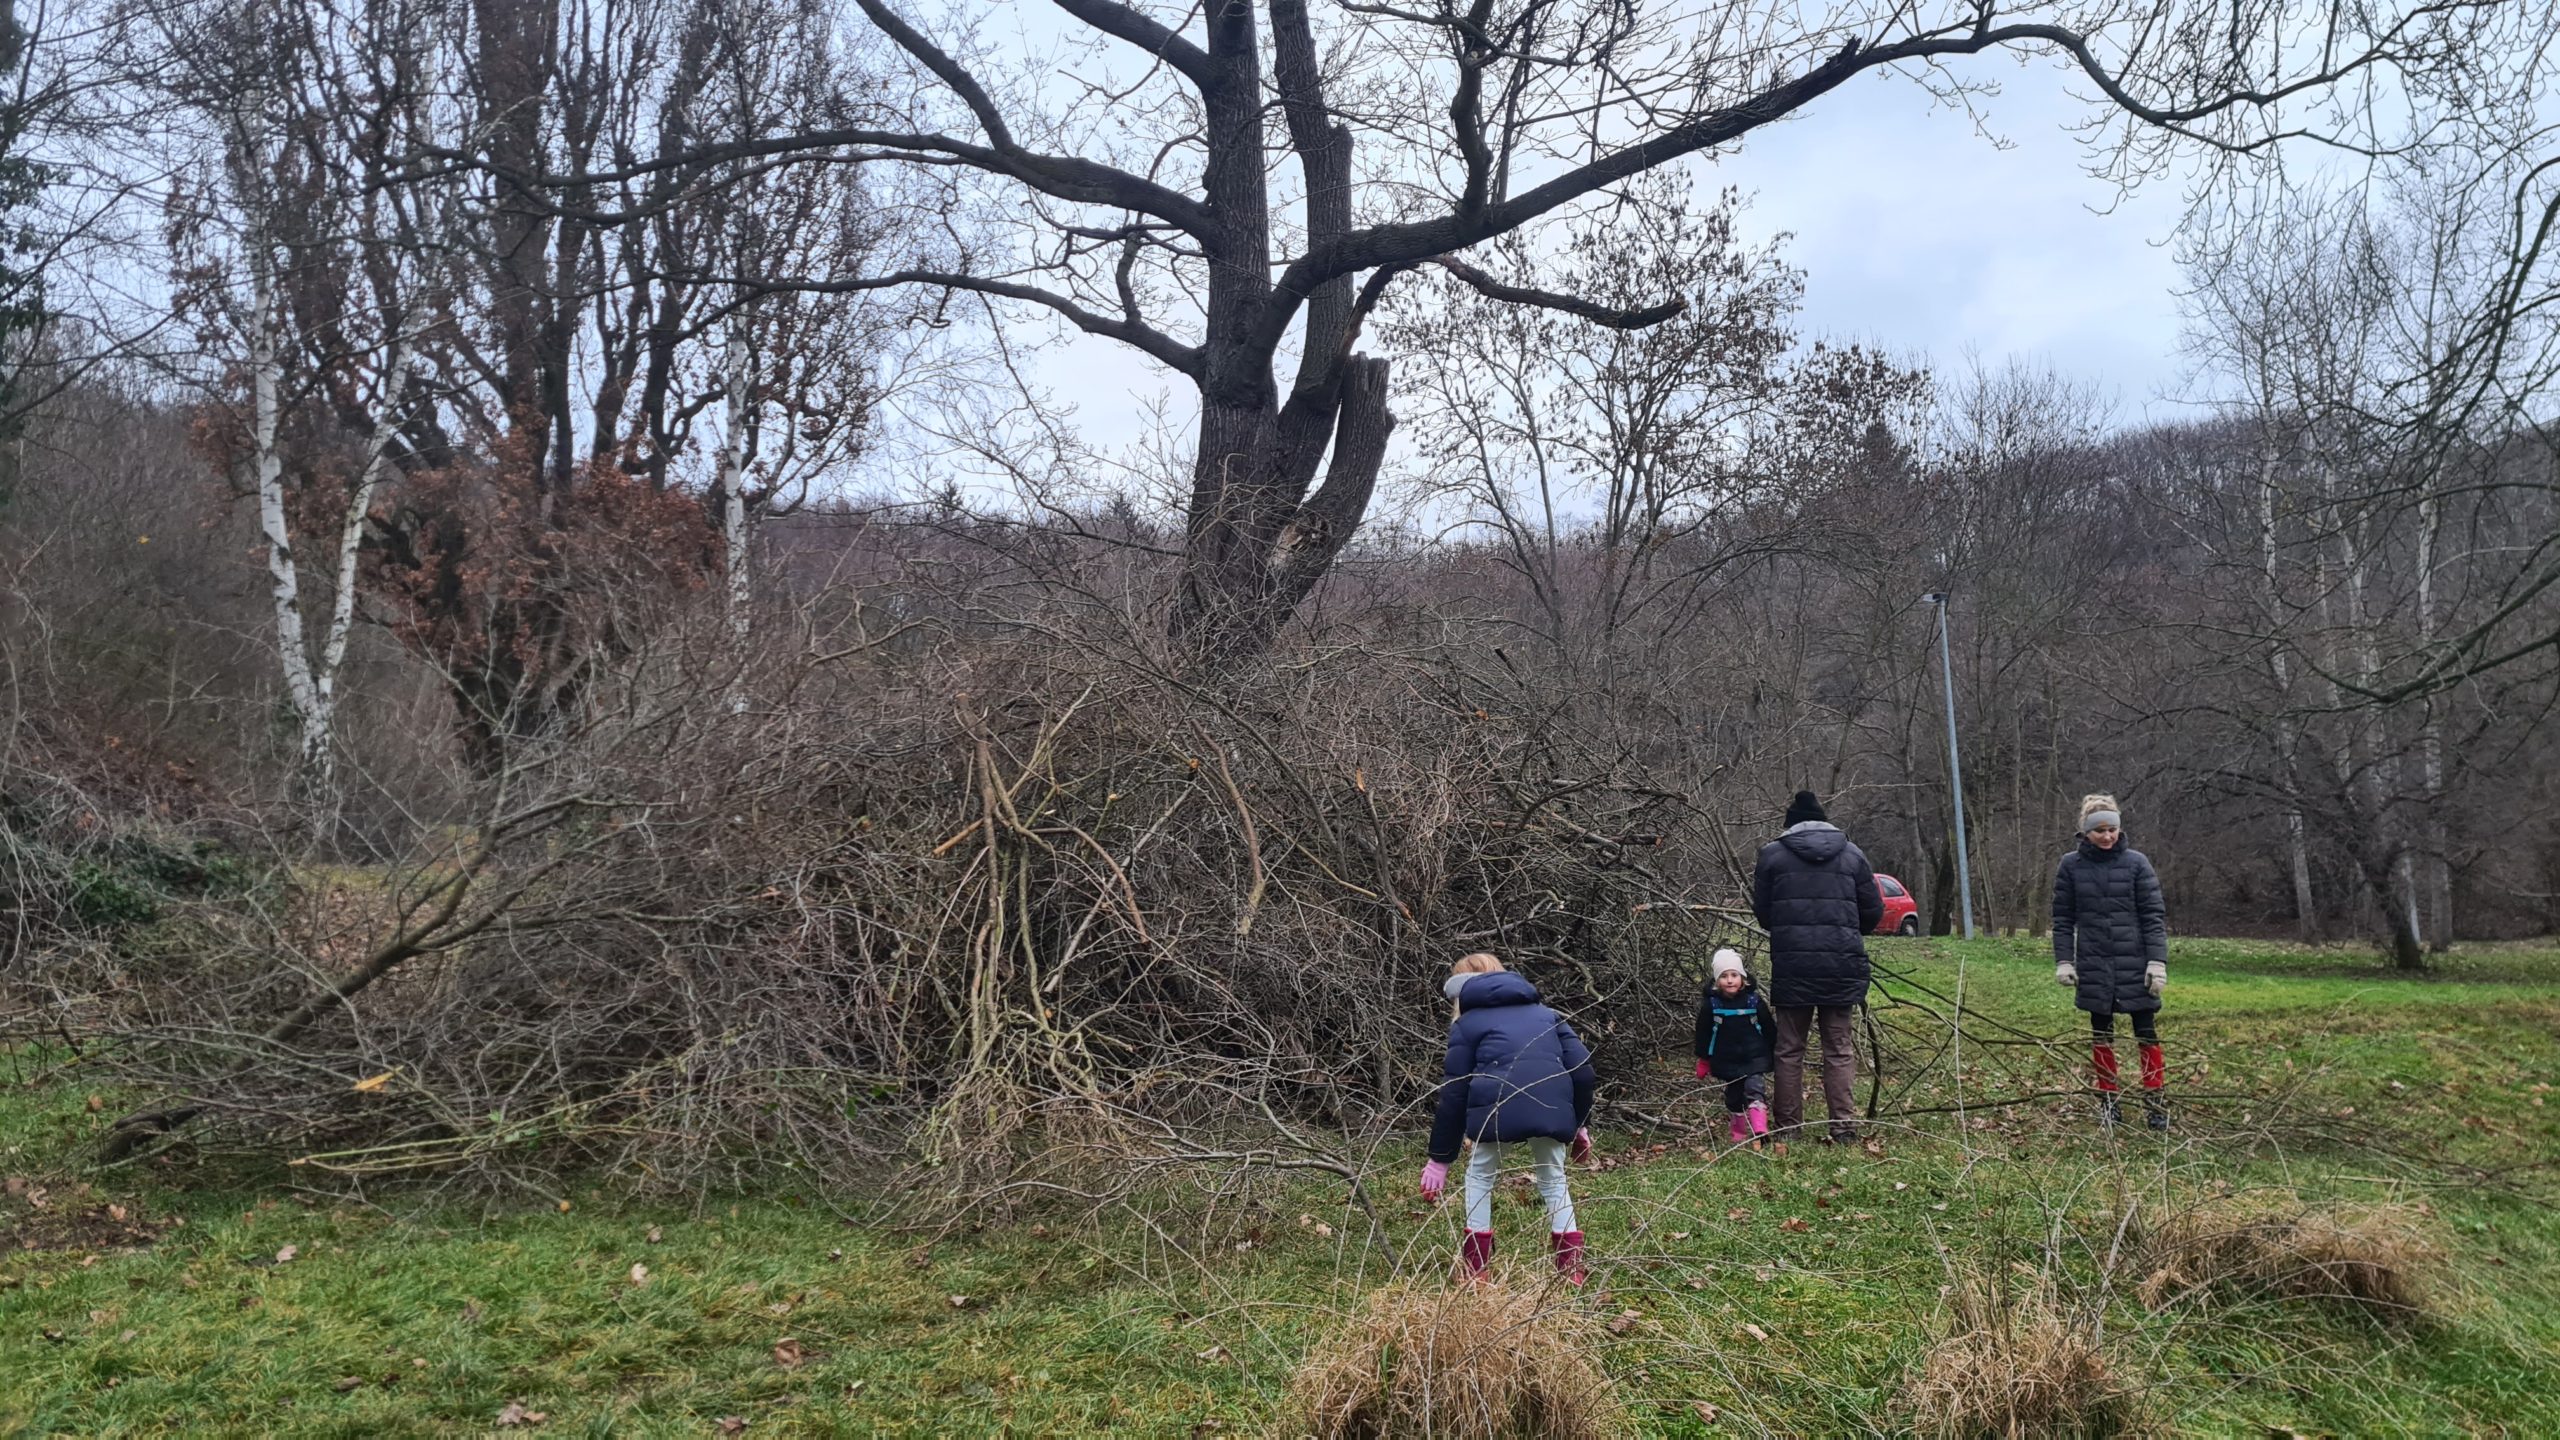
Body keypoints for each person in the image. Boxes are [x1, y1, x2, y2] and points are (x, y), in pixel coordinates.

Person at [1419, 952, 1597, 1284]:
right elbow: (1583, 1071)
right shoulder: (1548, 1015)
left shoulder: (1467, 1025)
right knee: (1554, 1179)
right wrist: (1580, 1124)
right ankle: (1571, 1270)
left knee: (1480, 1177)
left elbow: (1455, 1093)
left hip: (1495, 1112)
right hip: (1551, 1109)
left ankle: (1476, 1269)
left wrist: (1440, 1159)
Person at [1751, 789, 1884, 1145]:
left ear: (1789, 825)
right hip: (1841, 962)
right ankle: (1842, 1127)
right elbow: (1873, 911)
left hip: (1793, 963)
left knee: (1789, 1048)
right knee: (1838, 1048)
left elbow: (1764, 914)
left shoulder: (1772, 856)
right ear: (1825, 821)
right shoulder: (1852, 854)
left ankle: (1789, 1128)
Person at [2051, 793, 2171, 1131]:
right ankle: (2109, 1102)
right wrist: (2064, 960)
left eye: (2112, 829)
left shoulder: (2137, 864)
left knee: (2146, 1034)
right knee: (2101, 1035)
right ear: (2085, 832)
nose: (2107, 836)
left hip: (2135, 963)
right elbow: (2062, 918)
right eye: (2099, 830)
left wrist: (2156, 962)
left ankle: (2156, 1102)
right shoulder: (2070, 866)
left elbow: (2152, 917)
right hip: (2094, 963)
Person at [1693, 947, 1775, 1151]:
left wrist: (1775, 1050)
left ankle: (1759, 1128)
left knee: (1755, 1089)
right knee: (1734, 1097)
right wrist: (1704, 1059)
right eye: (1724, 976)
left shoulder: (1753, 1001)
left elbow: (1768, 1026)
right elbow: (1703, 1033)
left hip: (1754, 1055)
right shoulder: (1711, 1005)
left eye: (1734, 975)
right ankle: (1738, 1135)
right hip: (1726, 1058)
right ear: (1716, 981)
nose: (1730, 980)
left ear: (1743, 978)